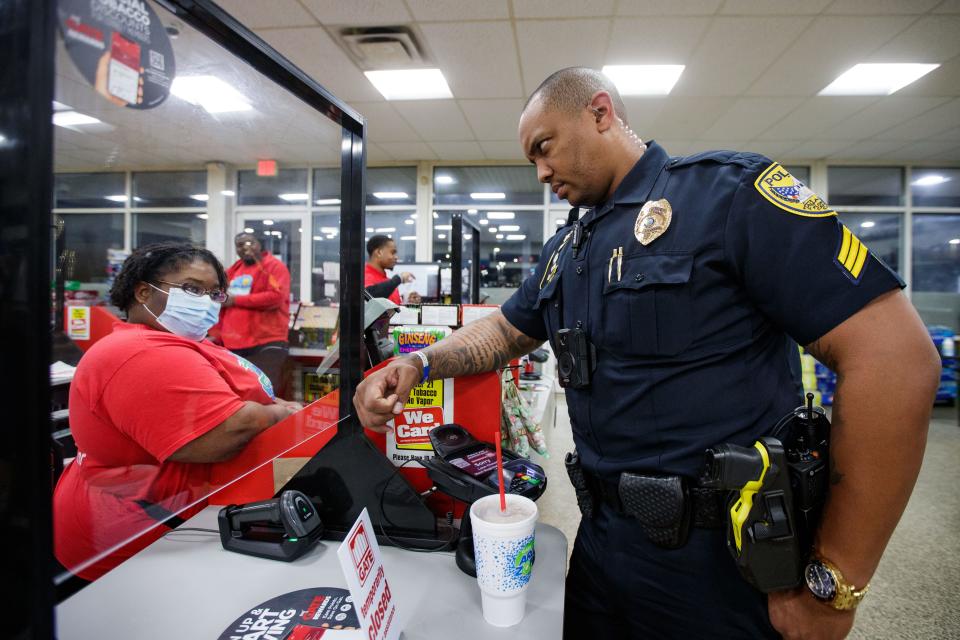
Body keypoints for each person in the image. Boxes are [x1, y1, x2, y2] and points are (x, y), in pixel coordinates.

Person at [353, 68, 940, 639]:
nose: (539, 171)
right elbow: (505, 331)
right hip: (604, 543)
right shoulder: (568, 249)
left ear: (600, 113)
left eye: (544, 147)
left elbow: (896, 362)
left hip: (723, 563)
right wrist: (419, 362)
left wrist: (835, 583)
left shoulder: (727, 196)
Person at [54, 242, 301, 584]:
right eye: (191, 289)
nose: (205, 301)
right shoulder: (140, 353)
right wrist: (279, 414)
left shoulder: (184, 341)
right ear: (142, 292)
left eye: (214, 293)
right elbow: (223, 434)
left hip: (185, 519)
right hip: (139, 541)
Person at [214, 232, 292, 396]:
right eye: (240, 245)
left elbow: (276, 297)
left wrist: (235, 300)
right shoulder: (233, 270)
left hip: (266, 342)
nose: (245, 248)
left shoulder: (273, 267)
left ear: (260, 245)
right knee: (239, 393)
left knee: (267, 392)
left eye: (250, 243)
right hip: (233, 343)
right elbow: (221, 297)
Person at [364, 234, 421, 305]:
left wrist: (409, 303)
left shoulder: (388, 282)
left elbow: (394, 311)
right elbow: (369, 297)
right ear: (379, 253)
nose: (396, 257)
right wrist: (399, 278)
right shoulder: (364, 277)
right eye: (392, 252)